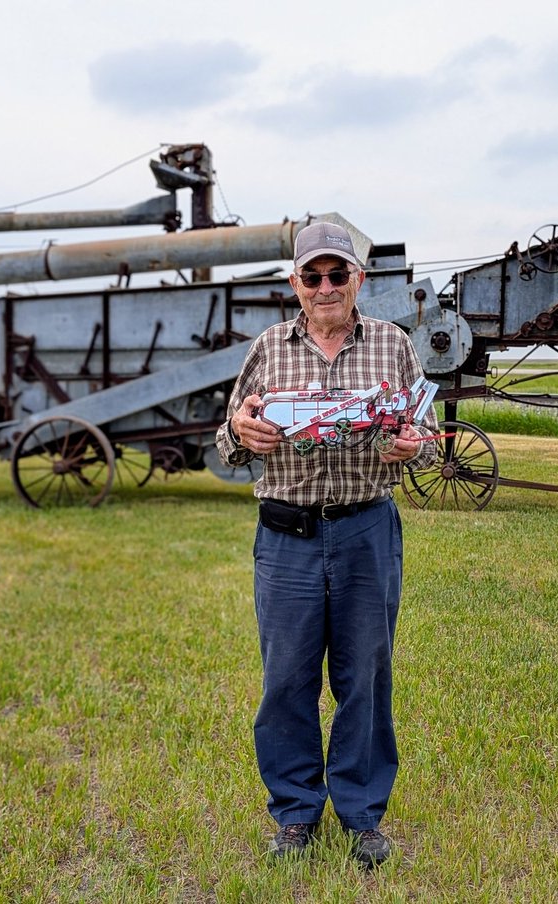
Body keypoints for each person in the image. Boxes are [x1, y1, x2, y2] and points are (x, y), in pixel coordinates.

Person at [215, 221, 437, 867]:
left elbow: (422, 423)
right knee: (286, 679)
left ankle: (363, 816)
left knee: (364, 676)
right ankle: (295, 813)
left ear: (358, 280)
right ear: (295, 284)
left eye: (337, 274)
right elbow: (231, 436)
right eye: (312, 276)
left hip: (367, 528)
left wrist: (410, 443)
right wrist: (242, 433)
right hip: (288, 535)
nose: (325, 287)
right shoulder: (267, 348)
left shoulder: (392, 343)